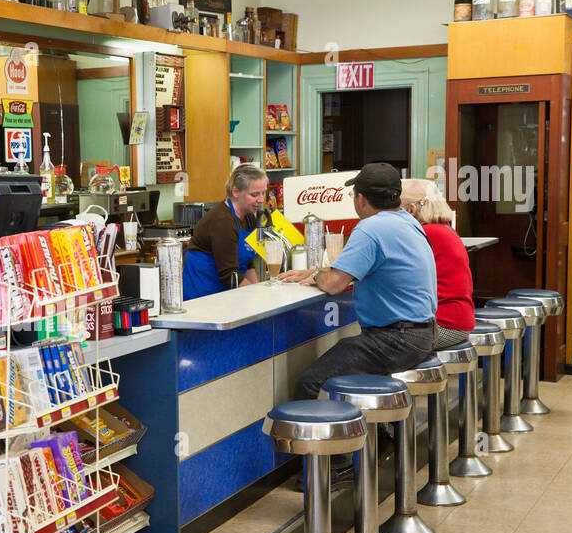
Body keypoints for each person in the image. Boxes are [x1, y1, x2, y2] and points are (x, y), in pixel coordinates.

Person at [279, 162, 437, 401]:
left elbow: (334, 284)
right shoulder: (409, 221)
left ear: (361, 199)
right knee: (362, 369)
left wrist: (316, 275)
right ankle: (379, 435)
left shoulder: (370, 228)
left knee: (310, 382)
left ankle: (333, 437)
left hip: (397, 340)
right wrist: (321, 270)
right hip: (425, 334)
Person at [401, 178, 474, 349]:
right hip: (460, 320)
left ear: (411, 210)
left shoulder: (425, 233)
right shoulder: (445, 228)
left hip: (443, 324)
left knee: (381, 343)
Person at [181, 163, 263, 300]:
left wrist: (259, 293)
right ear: (235, 191)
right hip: (204, 295)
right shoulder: (222, 221)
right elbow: (229, 275)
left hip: (228, 294)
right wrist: (257, 297)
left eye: (263, 192)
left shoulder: (249, 217)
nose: (261, 199)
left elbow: (248, 265)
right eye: (254, 194)